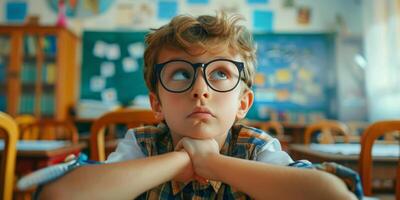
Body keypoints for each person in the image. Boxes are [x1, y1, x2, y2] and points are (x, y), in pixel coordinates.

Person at [39, 12, 356, 200]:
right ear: (157, 103)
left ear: (243, 103)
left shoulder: (255, 147)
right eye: (180, 73)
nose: (200, 89)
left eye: (220, 73)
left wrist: (210, 162)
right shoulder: (143, 143)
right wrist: (180, 161)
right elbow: (61, 195)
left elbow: (333, 195)